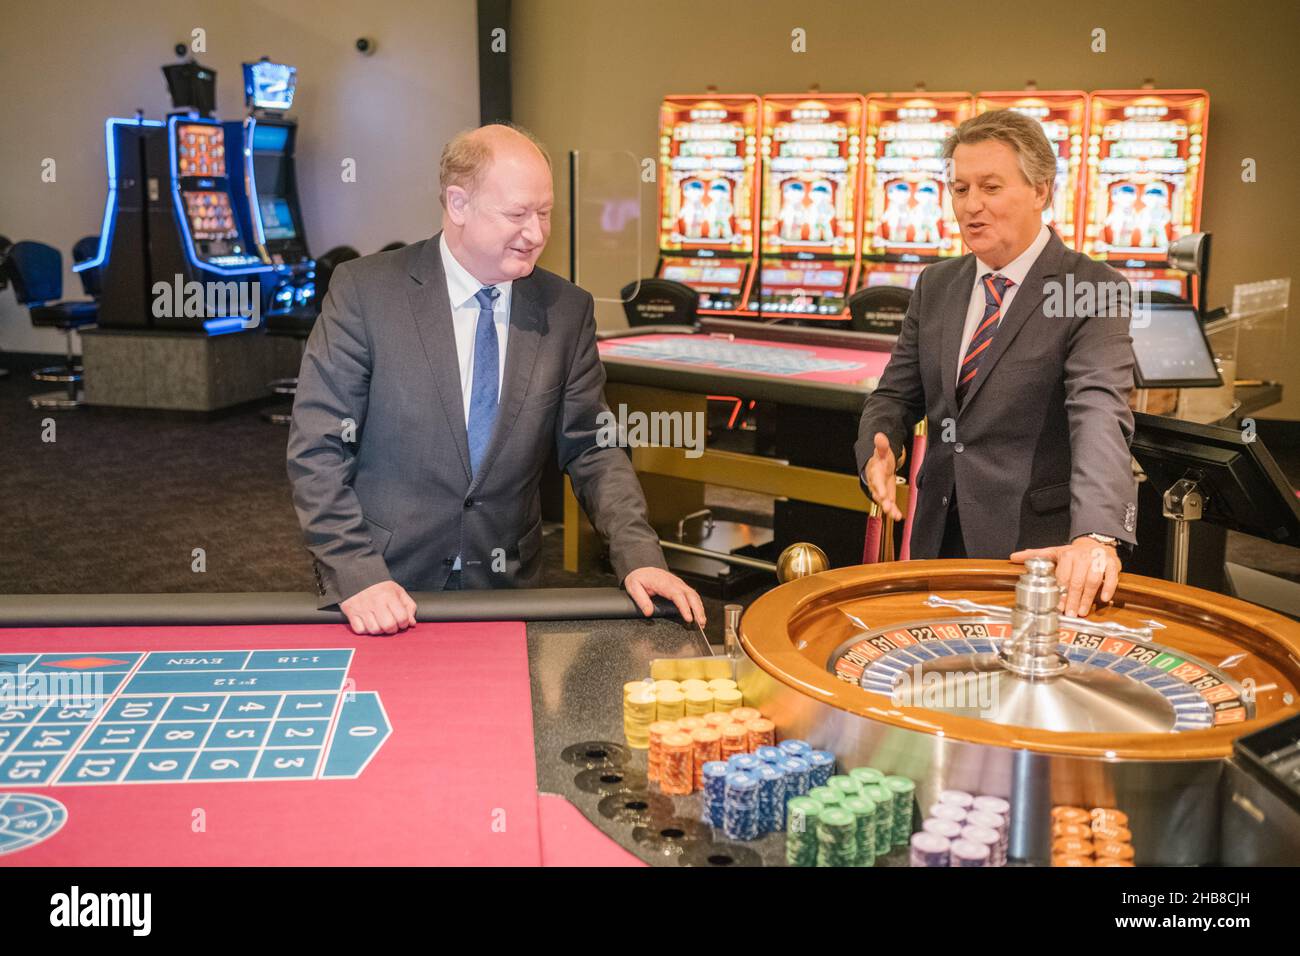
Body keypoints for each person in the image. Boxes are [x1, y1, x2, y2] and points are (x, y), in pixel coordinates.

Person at [287, 123, 706, 635]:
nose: (536, 233)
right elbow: (319, 447)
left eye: (545, 213)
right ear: (458, 204)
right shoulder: (365, 291)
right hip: (384, 583)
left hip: (509, 586)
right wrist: (356, 571)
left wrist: (639, 555)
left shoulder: (566, 310)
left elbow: (592, 449)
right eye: (517, 214)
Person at [856, 109, 1138, 618]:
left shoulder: (1090, 288)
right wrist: (879, 446)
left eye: (990, 187)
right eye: (960, 189)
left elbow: (1099, 413)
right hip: (936, 537)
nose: (971, 206)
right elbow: (894, 395)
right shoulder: (937, 284)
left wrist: (1096, 534)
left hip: (1034, 552)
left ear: (1041, 191)